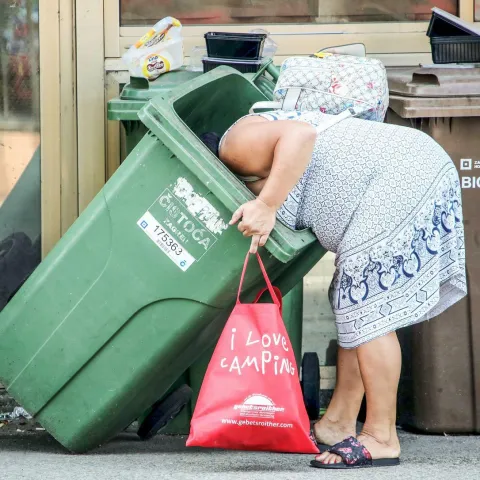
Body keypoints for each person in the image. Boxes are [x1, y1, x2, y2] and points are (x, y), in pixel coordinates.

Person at [200, 108, 467, 469]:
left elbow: (301, 135)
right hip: (406, 170)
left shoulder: (235, 147)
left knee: (370, 307)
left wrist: (265, 204)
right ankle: (337, 423)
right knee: (352, 300)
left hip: (402, 178)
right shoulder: (251, 145)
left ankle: (381, 437)